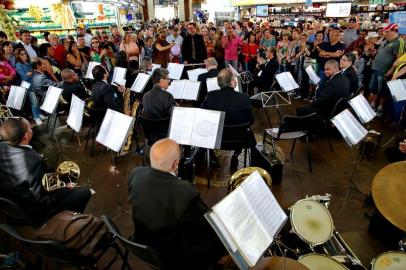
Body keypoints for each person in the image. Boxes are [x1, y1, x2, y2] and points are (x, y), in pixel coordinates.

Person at [128, 138, 227, 269]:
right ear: (176, 163)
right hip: (174, 256)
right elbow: (208, 225)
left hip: (143, 243)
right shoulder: (185, 192)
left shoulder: (136, 174)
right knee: (221, 239)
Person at [0, 117, 91, 225]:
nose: (31, 128)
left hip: (14, 202)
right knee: (85, 192)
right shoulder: (34, 162)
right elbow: (43, 199)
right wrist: (65, 187)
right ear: (26, 136)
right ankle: (70, 221)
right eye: (29, 127)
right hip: (36, 212)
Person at [202, 68, 254, 168]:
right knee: (246, 131)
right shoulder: (244, 97)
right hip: (240, 140)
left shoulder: (211, 96)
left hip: (216, 140)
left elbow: (203, 117)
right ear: (231, 82)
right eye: (234, 78)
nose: (235, 80)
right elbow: (251, 120)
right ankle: (235, 155)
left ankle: (212, 157)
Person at [369, 24, 404, 116]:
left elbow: (398, 58)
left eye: (387, 32)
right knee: (374, 88)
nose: (385, 33)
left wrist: (391, 70)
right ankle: (373, 104)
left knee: (382, 90)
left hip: (384, 70)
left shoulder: (398, 41)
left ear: (394, 31)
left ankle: (380, 107)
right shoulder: (387, 41)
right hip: (377, 68)